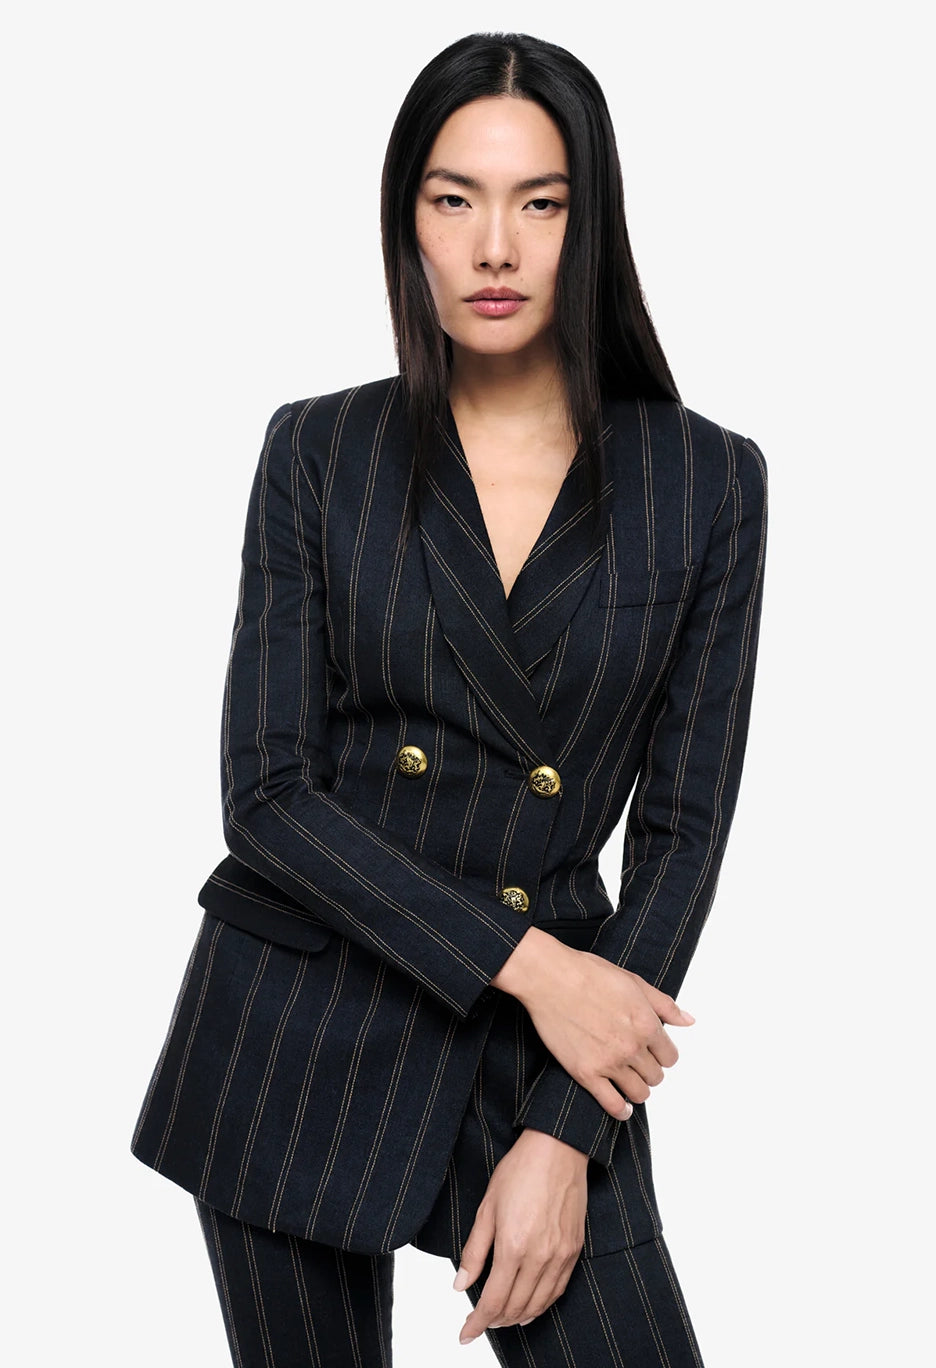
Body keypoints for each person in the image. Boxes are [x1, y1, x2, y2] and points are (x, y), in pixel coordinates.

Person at [130, 30, 768, 1367]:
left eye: (541, 203)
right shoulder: (321, 449)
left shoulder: (706, 480)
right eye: (453, 198)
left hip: (543, 1056)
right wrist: (537, 969)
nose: (494, 247)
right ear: (405, 219)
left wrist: (569, 1130)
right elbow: (269, 795)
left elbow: (683, 832)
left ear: (592, 224)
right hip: (299, 1023)